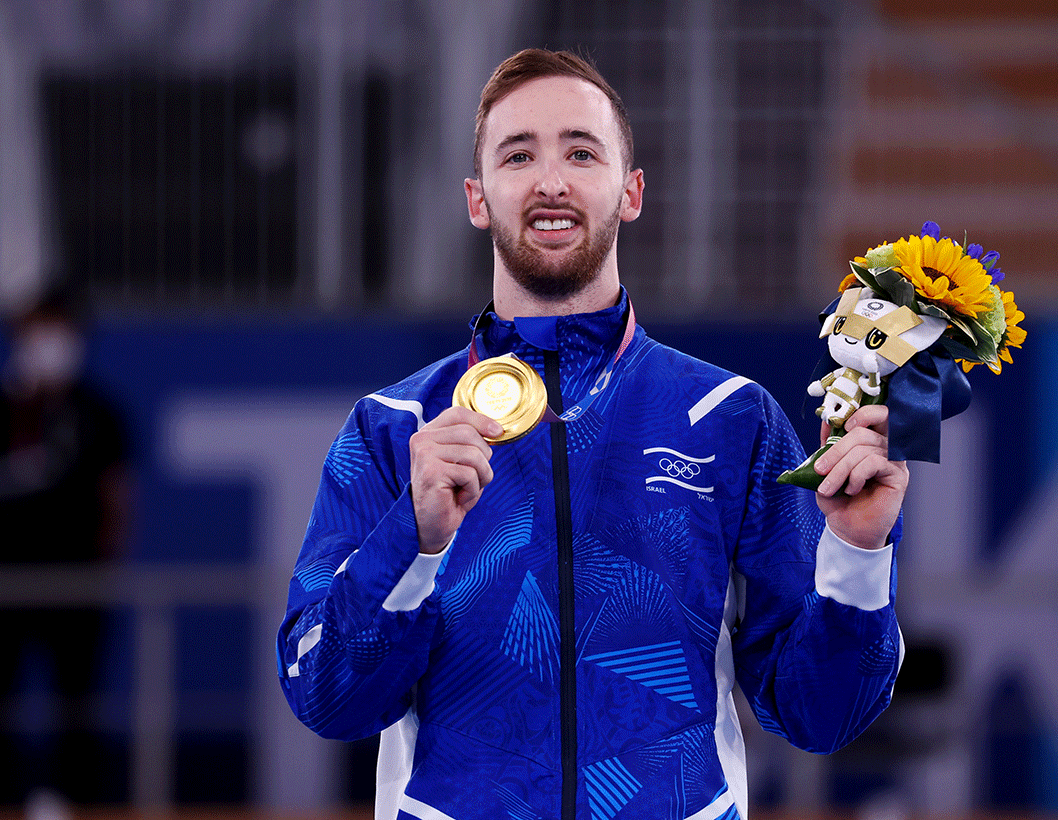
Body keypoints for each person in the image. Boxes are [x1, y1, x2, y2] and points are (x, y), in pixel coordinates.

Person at [278, 48, 907, 820]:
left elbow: (821, 716)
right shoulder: (394, 428)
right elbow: (325, 699)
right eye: (519, 156)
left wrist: (856, 556)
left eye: (582, 151)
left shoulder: (730, 419)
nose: (551, 181)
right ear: (477, 199)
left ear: (631, 190)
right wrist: (412, 539)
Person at [0, 282, 132, 818]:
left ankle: (76, 804)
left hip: (77, 585)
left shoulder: (99, 413)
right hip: (6, 586)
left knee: (76, 703)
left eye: (63, 330)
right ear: (19, 336)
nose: (53, 341)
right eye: (41, 330)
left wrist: (100, 568)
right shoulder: (4, 412)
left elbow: (118, 499)